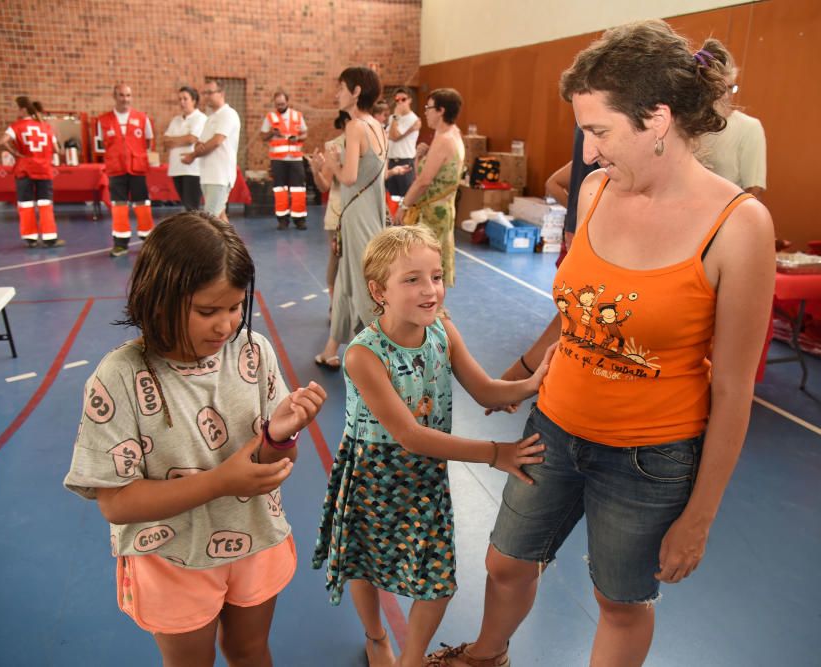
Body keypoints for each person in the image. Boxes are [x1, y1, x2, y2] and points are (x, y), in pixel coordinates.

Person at [429, 20, 775, 667]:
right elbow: (581, 311)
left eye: (599, 130)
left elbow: (733, 387)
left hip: (649, 458)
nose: (587, 148)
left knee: (618, 602)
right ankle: (486, 654)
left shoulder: (739, 227)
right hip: (554, 428)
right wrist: (523, 370)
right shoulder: (593, 193)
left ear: (659, 119)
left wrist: (697, 517)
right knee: (505, 561)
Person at [64, 211, 327, 667]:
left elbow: (267, 464)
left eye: (235, 307)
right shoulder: (120, 376)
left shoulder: (253, 351)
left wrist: (280, 437)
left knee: (250, 651)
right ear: (159, 299)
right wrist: (222, 481)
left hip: (253, 538)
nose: (226, 325)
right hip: (170, 557)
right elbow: (116, 503)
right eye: (208, 311)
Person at [312, 225, 552, 667]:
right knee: (364, 566)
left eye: (437, 277)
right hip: (375, 473)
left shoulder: (443, 332)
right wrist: (494, 453)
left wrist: (531, 383)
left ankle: (412, 659)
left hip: (425, 477)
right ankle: (376, 636)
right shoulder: (363, 354)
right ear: (378, 290)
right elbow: (409, 434)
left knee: (438, 581)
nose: (431, 290)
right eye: (412, 279)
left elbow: (484, 390)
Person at [313, 66, 389, 370]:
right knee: (344, 283)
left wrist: (332, 162)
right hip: (365, 214)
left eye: (341, 87)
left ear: (356, 91)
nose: (337, 93)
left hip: (357, 217)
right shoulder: (378, 127)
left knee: (362, 284)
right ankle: (331, 349)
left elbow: (349, 176)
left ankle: (387, 353)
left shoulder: (355, 126)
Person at [398, 88, 465, 286]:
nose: (425, 112)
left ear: (441, 110)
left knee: (426, 267)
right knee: (429, 264)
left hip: (433, 213)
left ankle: (429, 311)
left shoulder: (444, 139)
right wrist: (421, 156)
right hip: (440, 208)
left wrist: (404, 206)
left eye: (429, 108)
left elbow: (423, 181)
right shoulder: (450, 134)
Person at [694, 41, 767, 198]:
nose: (726, 96)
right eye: (719, 89)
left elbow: (754, 191)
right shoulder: (688, 125)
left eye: (730, 88)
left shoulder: (749, 128)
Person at [96, 84, 155, 257]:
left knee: (142, 204)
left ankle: (148, 241)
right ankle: (120, 243)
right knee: (119, 206)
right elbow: (101, 144)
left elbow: (148, 141)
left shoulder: (142, 118)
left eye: (128, 95)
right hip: (116, 169)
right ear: (114, 96)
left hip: (137, 168)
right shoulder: (103, 120)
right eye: (121, 95)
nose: (125, 99)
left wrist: (139, 157)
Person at [0, 97, 64, 247]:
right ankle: (49, 238)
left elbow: (2, 141)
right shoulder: (45, 127)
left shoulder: (16, 126)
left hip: (24, 170)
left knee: (26, 204)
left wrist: (15, 153)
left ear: (23, 109)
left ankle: (31, 239)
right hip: (44, 169)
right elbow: (56, 149)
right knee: (45, 203)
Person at [306, 111, 349, 319]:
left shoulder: (374, 142)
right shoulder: (335, 146)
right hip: (338, 215)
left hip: (364, 216)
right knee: (336, 260)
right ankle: (335, 307)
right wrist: (316, 171)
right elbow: (324, 186)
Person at [183, 79, 241, 223]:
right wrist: (198, 148)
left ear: (221, 93)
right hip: (208, 175)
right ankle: (233, 245)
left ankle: (215, 246)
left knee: (210, 220)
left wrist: (193, 155)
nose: (207, 96)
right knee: (220, 217)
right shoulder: (211, 118)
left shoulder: (228, 114)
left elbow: (216, 141)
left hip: (219, 176)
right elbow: (201, 143)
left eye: (210, 92)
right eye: (205, 93)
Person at [545, 125, 600, 262]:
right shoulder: (590, 159)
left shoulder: (585, 157)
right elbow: (552, 184)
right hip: (586, 237)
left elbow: (552, 184)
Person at [259, 90, 308, 230]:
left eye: (282, 103)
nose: (280, 106)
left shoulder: (297, 115)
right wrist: (271, 133)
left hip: (295, 159)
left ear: (287, 102)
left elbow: (305, 133)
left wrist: (297, 138)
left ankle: (299, 220)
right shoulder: (270, 117)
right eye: (277, 104)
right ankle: (282, 220)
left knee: (298, 189)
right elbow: (263, 136)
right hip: (278, 160)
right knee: (280, 190)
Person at [161, 86, 207, 211]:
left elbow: (191, 139)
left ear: (194, 100)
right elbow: (165, 142)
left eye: (185, 99)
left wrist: (174, 140)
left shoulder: (200, 118)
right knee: (186, 206)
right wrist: (182, 139)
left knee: (192, 207)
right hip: (177, 168)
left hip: (192, 170)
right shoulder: (175, 120)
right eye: (180, 99)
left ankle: (196, 230)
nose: (182, 102)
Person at [385, 87, 420, 201]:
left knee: (405, 199)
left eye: (403, 99)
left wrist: (395, 116)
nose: (400, 102)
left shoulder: (412, 118)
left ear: (409, 100)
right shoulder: (392, 118)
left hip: (405, 161)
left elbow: (394, 136)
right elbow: (390, 136)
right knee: (391, 199)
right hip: (391, 161)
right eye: (397, 99)